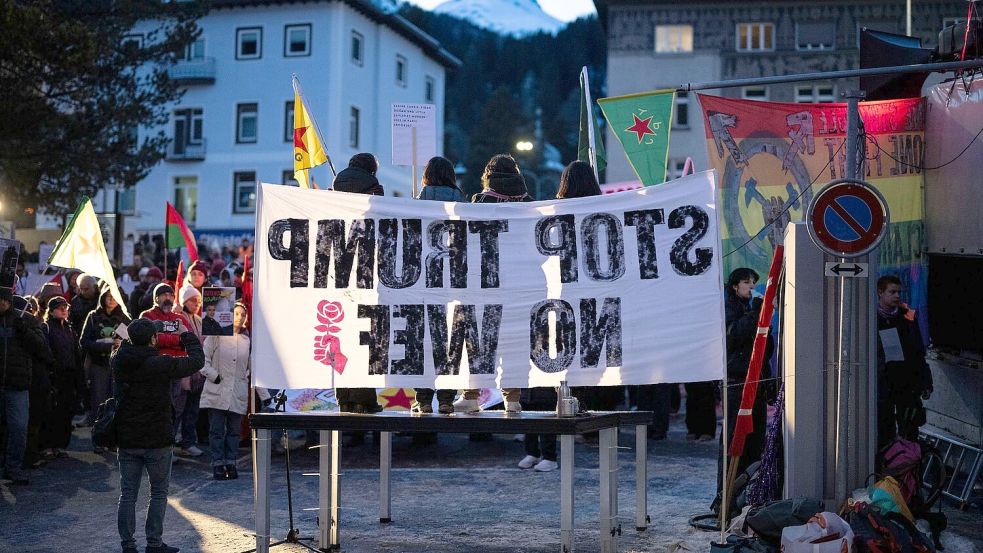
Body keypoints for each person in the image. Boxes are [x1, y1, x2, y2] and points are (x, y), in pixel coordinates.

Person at [113, 318, 204, 553]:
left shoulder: (119, 360)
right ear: (153, 339)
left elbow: (124, 349)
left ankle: (128, 545)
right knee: (159, 493)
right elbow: (196, 361)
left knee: (128, 494)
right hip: (157, 437)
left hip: (127, 436)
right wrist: (185, 334)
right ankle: (154, 543)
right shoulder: (160, 363)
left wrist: (128, 339)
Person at [454, 154, 532, 415]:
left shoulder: (480, 202)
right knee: (514, 342)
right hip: (521, 283)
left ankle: (471, 396)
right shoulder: (530, 204)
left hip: (484, 282)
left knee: (477, 341)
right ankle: (513, 399)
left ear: (487, 174)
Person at [714, 267, 771, 514]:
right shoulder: (729, 307)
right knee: (734, 440)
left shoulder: (752, 308)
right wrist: (755, 312)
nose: (750, 286)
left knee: (755, 438)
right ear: (735, 286)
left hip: (755, 379)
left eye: (753, 282)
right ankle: (724, 498)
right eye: (746, 282)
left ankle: (746, 496)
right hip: (737, 381)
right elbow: (732, 334)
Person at [331, 153, 383, 416]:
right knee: (365, 338)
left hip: (339, 270)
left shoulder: (335, 184)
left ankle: (344, 399)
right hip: (366, 268)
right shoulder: (374, 187)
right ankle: (365, 400)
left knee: (344, 335)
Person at [411, 156, 462, 415]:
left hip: (423, 285)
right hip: (454, 286)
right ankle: (446, 399)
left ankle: (422, 399)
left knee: (423, 342)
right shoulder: (465, 205)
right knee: (449, 343)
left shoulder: (415, 205)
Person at [0, 288, 52, 485]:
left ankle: (13, 467)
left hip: (17, 384)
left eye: (4, 300)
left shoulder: (26, 320)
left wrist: (24, 331)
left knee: (19, 428)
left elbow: (41, 348)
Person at [876, 275, 933, 448]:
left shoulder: (907, 317)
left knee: (909, 431)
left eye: (899, 292)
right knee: (884, 430)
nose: (897, 296)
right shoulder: (871, 319)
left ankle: (907, 468)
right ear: (880, 293)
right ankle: (886, 468)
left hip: (906, 382)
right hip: (883, 382)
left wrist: (925, 383)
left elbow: (918, 354)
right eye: (892, 292)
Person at [199, 303, 253, 480]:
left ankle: (231, 461)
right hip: (218, 389)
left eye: (243, 314)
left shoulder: (246, 340)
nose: (240, 317)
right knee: (216, 430)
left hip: (237, 392)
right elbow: (202, 361)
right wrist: (214, 376)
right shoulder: (216, 336)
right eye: (236, 313)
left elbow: (250, 366)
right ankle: (217, 463)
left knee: (234, 431)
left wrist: (245, 376)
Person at [80, 289, 131, 448]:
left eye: (114, 297)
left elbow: (130, 342)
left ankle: (113, 440)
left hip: (118, 367)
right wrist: (105, 345)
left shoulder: (124, 318)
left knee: (116, 404)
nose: (111, 300)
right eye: (108, 297)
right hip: (98, 365)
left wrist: (120, 345)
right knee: (98, 405)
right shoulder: (93, 316)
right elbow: (84, 341)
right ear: (103, 298)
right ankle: (98, 441)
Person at [40, 296, 82, 457]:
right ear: (51, 311)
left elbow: (75, 353)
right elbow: (46, 351)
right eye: (59, 307)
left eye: (65, 307)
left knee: (66, 412)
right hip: (55, 376)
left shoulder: (69, 329)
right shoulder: (47, 328)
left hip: (70, 376)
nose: (64, 310)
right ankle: (48, 446)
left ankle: (60, 445)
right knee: (52, 412)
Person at [173, 285, 205, 458]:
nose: (197, 304)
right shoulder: (178, 318)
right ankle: (169, 444)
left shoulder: (200, 319)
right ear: (185, 301)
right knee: (177, 410)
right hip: (183, 372)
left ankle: (188, 442)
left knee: (192, 411)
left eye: (199, 301)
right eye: (193, 300)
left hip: (197, 373)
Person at [517, 387, 559, 472]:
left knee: (547, 423)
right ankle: (533, 454)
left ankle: (550, 458)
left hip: (547, 390)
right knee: (528, 423)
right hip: (526, 390)